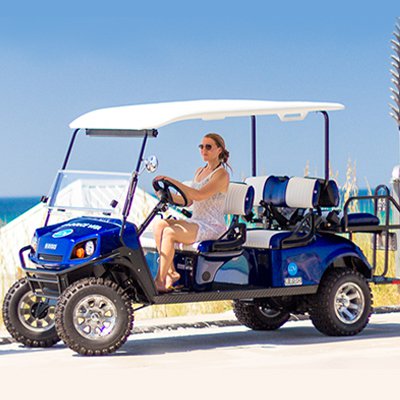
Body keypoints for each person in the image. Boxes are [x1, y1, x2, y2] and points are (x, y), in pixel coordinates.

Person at [153, 133, 230, 292]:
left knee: (169, 232)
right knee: (159, 225)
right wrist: (167, 195)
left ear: (219, 150)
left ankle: (160, 281)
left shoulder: (222, 174)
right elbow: (189, 200)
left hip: (212, 226)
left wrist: (172, 180)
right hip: (197, 221)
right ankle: (171, 273)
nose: (204, 150)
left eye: (208, 147)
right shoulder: (199, 171)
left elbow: (200, 195)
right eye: (201, 146)